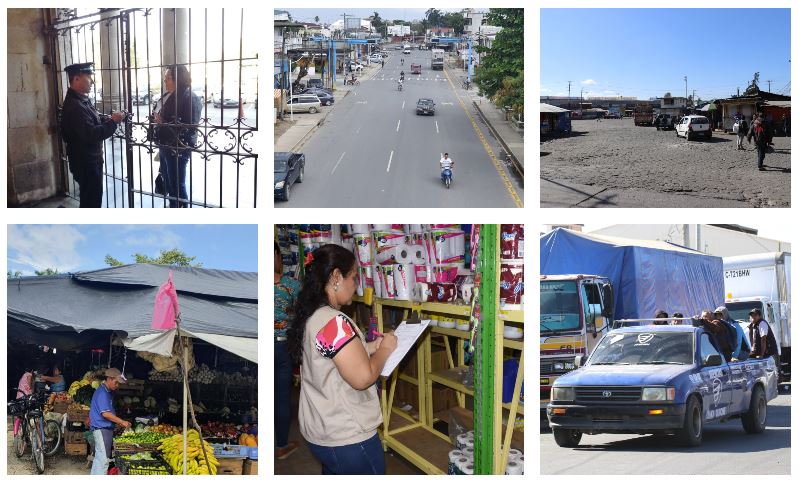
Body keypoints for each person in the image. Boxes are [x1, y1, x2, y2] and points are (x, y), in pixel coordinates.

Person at [289, 244, 398, 474]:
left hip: (323, 432)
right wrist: (385, 350)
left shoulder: (314, 314)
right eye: (353, 277)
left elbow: (328, 355)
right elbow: (363, 377)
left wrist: (368, 347)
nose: (356, 285)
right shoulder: (334, 321)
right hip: (347, 437)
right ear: (336, 276)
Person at [60, 62, 125, 208]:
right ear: (76, 79)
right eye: (89, 77)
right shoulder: (76, 106)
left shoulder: (81, 99)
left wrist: (108, 119)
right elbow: (91, 134)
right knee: (91, 202)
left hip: (88, 160)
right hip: (86, 162)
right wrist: (113, 122)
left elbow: (93, 119)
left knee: (90, 198)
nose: (93, 82)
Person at [153, 64, 202, 208]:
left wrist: (163, 122)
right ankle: (172, 206)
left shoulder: (190, 97)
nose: (165, 81)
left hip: (178, 148)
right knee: (168, 182)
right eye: (165, 78)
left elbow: (189, 127)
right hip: (165, 145)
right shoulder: (169, 95)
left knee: (177, 184)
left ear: (178, 79)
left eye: (168, 78)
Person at [274, 242, 301, 460]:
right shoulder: (290, 285)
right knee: (281, 397)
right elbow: (303, 311)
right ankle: (280, 445)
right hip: (281, 346)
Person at [89, 368, 131, 475]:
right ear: (109, 379)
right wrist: (122, 422)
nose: (117, 385)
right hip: (102, 429)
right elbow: (105, 414)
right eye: (116, 382)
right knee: (102, 460)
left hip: (104, 429)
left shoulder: (107, 392)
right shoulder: (102, 393)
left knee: (100, 457)